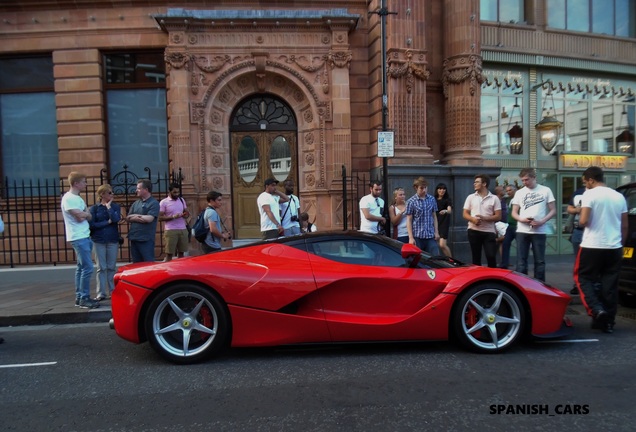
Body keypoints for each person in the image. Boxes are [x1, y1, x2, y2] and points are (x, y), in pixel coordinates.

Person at [575, 166, 628, 334]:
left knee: (583, 278)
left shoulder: (589, 194)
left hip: (592, 245)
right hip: (614, 247)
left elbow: (583, 221)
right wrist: (621, 244)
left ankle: (597, 310)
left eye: (585, 181)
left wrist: (579, 218)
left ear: (591, 180)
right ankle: (609, 322)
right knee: (610, 284)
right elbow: (624, 224)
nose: (585, 184)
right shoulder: (619, 196)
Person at [511, 168, 556, 281]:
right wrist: (522, 219)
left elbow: (553, 210)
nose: (525, 182)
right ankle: (522, 285)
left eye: (527, 180)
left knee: (539, 261)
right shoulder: (520, 192)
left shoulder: (545, 190)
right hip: (522, 230)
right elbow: (514, 212)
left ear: (534, 177)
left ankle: (540, 286)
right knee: (521, 260)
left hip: (539, 230)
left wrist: (542, 221)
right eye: (522, 180)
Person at [61, 172, 98, 309]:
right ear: (76, 183)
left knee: (81, 267)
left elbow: (86, 214)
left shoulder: (77, 198)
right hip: (78, 236)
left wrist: (85, 214)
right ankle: (84, 297)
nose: (86, 184)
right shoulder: (69, 198)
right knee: (87, 267)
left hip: (83, 235)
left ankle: (80, 296)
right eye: (83, 181)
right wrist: (85, 214)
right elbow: (80, 217)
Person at [89, 184, 121, 301]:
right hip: (98, 240)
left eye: (112, 192)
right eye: (109, 193)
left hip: (112, 239)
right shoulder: (94, 209)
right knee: (101, 267)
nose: (112, 195)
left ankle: (112, 291)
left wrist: (109, 207)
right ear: (102, 194)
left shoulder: (115, 207)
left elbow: (117, 219)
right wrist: (107, 222)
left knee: (111, 267)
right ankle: (101, 292)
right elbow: (92, 225)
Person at [462, 174, 501, 267]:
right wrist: (472, 219)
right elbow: (465, 213)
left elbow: (498, 216)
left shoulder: (494, 198)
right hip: (473, 231)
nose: (474, 184)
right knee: (476, 258)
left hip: (489, 232)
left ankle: (493, 278)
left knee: (491, 256)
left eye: (477, 182)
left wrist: (485, 218)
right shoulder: (470, 197)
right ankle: (478, 279)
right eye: (474, 182)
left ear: (484, 183)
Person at [126, 179, 160, 263]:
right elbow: (128, 218)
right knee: (136, 265)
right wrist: (140, 217)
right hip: (134, 237)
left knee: (148, 263)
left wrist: (135, 216)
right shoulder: (135, 203)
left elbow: (149, 219)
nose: (136, 190)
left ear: (146, 190)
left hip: (146, 239)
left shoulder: (154, 203)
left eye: (138, 188)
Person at [405, 176, 440, 254]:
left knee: (434, 258)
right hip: (417, 236)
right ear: (416, 188)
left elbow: (434, 216)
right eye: (421, 188)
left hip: (430, 235)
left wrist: (436, 232)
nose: (424, 190)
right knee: (418, 260)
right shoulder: (411, 201)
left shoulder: (432, 199)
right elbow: (409, 219)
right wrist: (411, 237)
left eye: (425, 187)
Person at [158, 182, 190, 262]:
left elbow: (187, 213)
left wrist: (185, 214)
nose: (177, 194)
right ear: (169, 191)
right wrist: (172, 217)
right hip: (170, 230)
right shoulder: (164, 202)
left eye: (178, 192)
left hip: (182, 229)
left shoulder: (182, 200)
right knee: (169, 253)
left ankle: (181, 270)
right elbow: (159, 217)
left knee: (182, 253)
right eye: (174, 192)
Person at [566, 184, 586, 294]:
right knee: (578, 260)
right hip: (578, 230)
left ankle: (591, 285)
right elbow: (569, 208)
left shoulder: (600, 194)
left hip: (591, 230)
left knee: (591, 260)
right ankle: (577, 285)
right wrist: (576, 210)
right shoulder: (578, 192)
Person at [499, 184, 518, 269]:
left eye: (510, 190)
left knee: (520, 247)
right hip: (509, 226)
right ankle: (504, 265)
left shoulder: (519, 199)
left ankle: (520, 266)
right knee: (505, 244)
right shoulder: (507, 200)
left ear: (515, 190)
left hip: (518, 226)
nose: (508, 192)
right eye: (507, 191)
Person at [435, 183, 452, 256]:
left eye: (444, 189)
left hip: (444, 224)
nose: (442, 190)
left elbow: (449, 210)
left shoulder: (447, 199)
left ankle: (452, 261)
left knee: (442, 245)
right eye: (440, 189)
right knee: (437, 245)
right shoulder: (433, 199)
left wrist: (445, 211)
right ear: (437, 190)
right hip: (435, 223)